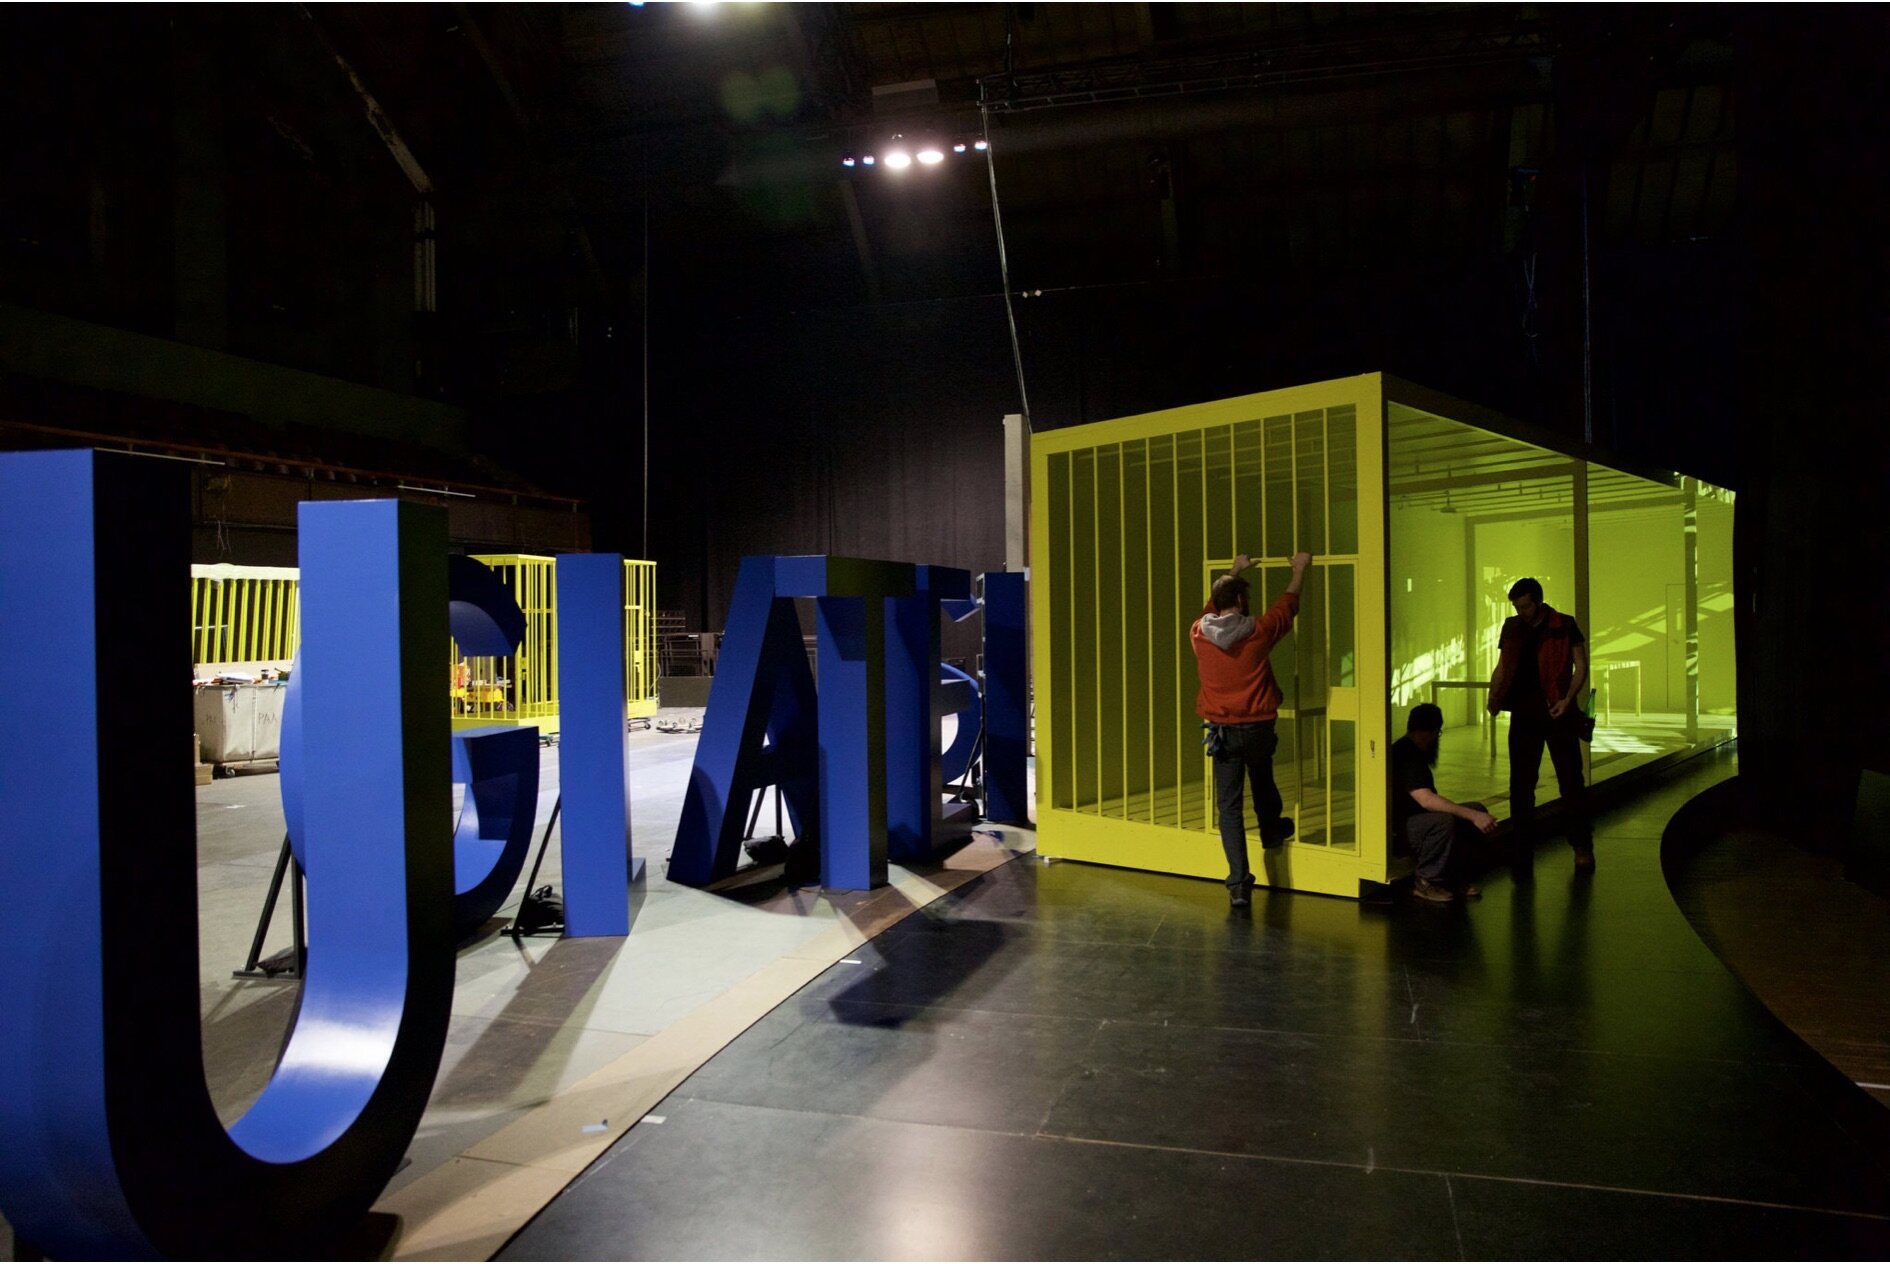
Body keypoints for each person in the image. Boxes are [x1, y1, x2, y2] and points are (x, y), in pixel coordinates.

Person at [1193, 549, 1311, 908]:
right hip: (1258, 725)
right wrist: (1300, 569)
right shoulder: (1257, 632)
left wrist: (1233, 570)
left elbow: (1209, 608)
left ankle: (1239, 884)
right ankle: (1272, 830)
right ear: (1242, 600)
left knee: (1228, 807)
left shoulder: (1199, 633)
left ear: (1216, 601)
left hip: (1221, 730)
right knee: (1262, 778)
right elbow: (1287, 605)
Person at [1486, 576, 1594, 870]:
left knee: (1570, 782)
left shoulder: (1564, 624)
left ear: (1537, 601)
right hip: (1524, 714)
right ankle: (1522, 848)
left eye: (1524, 606)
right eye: (1517, 607)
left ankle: (1582, 846)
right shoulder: (1512, 627)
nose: (1521, 612)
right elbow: (1502, 666)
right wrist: (1493, 694)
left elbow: (1581, 666)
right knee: (1521, 784)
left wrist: (1567, 699)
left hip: (1556, 712)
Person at [1392, 703, 1498, 903]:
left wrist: (1473, 813)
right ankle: (1425, 881)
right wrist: (1473, 816)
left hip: (1414, 822)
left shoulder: (1411, 751)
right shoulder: (1407, 756)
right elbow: (1426, 800)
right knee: (1446, 821)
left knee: (1475, 809)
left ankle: (1453, 877)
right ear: (1431, 732)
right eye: (1438, 733)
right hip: (1400, 829)